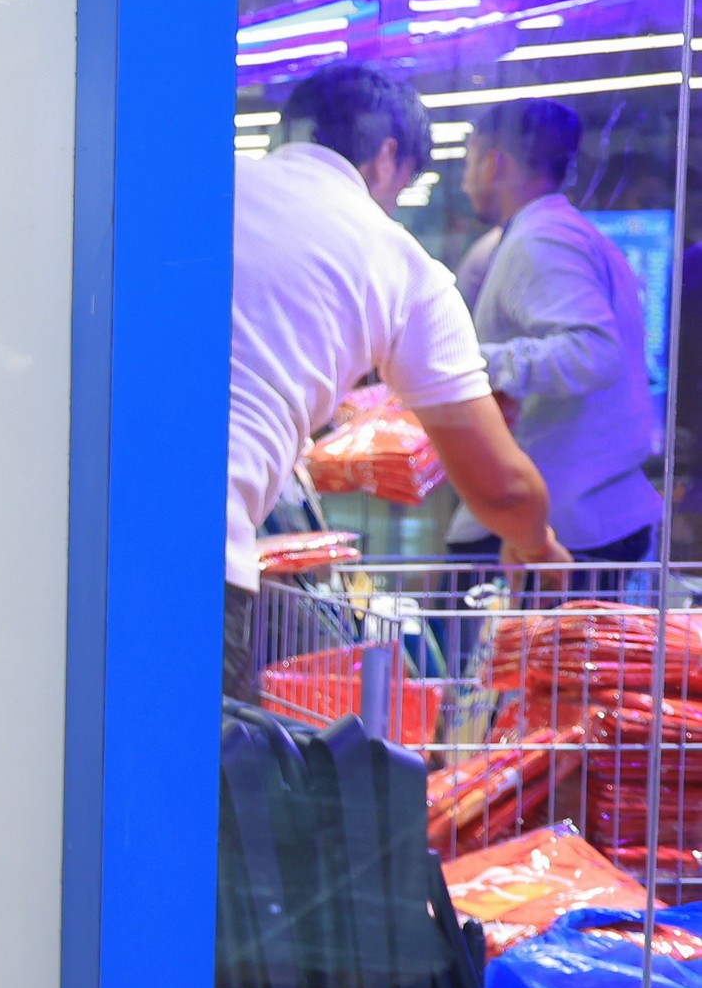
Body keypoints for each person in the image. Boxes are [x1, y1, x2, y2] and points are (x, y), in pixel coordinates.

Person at [228, 62, 566, 696]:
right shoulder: (397, 260)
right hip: (201, 546)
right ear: (387, 156)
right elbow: (503, 489)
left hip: (65, 506)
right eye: (405, 183)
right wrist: (538, 546)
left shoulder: (209, 182)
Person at [444, 96, 661, 586]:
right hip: (574, 517)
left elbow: (593, 352)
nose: (463, 180)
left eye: (468, 161)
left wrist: (472, 364)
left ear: (494, 163)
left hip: (559, 531)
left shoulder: (540, 239)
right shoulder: (561, 231)